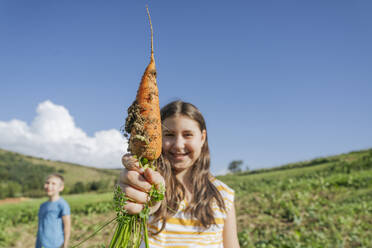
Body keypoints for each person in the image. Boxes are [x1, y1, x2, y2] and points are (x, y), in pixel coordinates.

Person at [119, 100, 240, 247]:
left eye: (188, 134)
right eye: (169, 134)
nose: (178, 144)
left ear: (202, 138)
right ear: (157, 138)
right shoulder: (148, 184)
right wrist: (144, 195)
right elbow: (147, 206)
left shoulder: (224, 195)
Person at [35, 174, 71, 248]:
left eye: (53, 184)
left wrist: (65, 245)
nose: (49, 186)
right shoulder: (43, 205)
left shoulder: (62, 205)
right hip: (41, 244)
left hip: (55, 244)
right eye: (47, 183)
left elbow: (67, 227)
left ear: (61, 188)